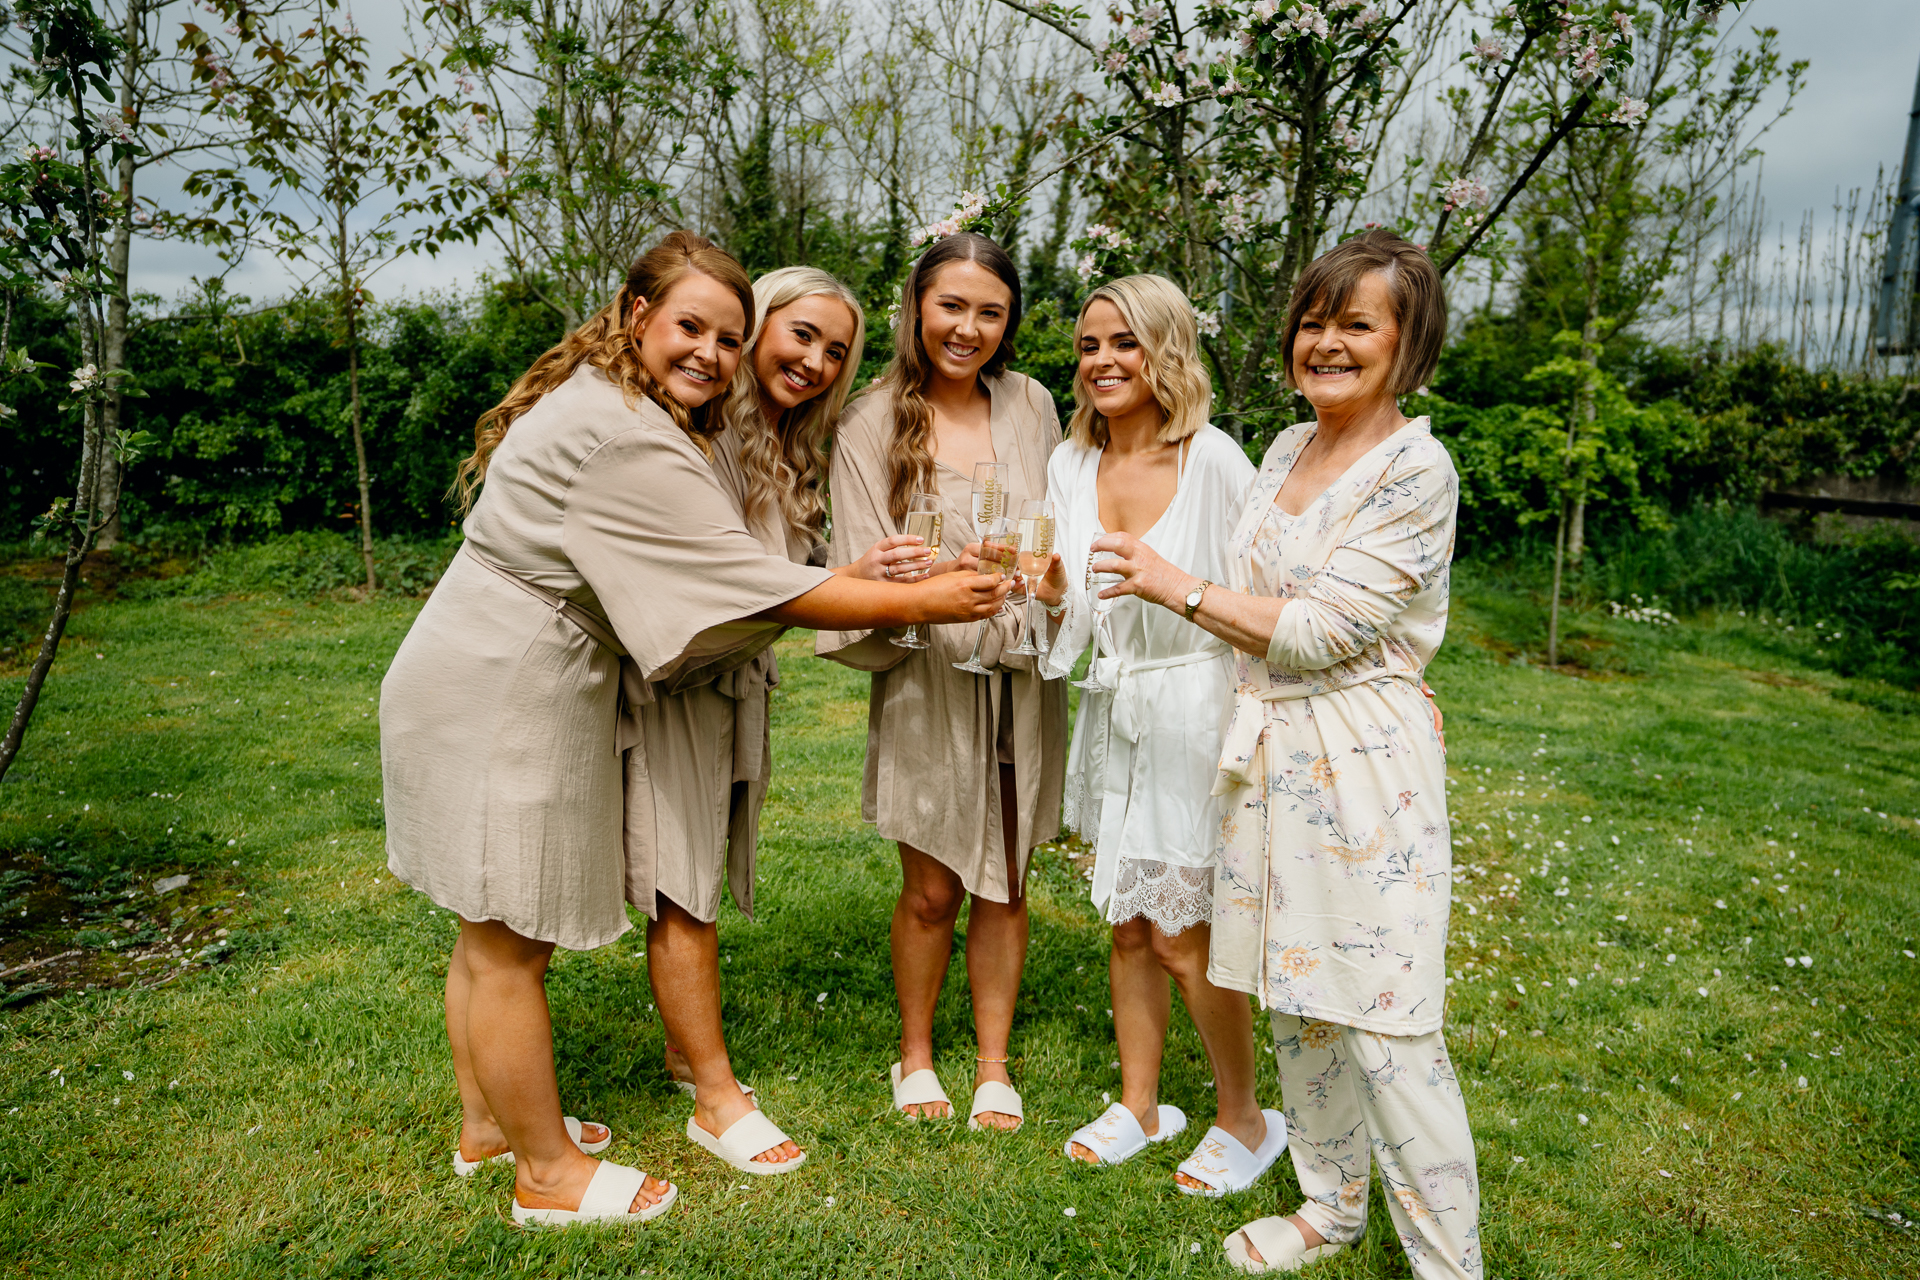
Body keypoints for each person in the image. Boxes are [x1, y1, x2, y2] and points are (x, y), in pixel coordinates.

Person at [381, 230, 1009, 1227]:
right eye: (693, 328)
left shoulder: (617, 398)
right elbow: (747, 579)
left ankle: (488, 1124)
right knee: (507, 945)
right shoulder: (634, 436)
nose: (713, 353)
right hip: (507, 684)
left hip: (477, 659)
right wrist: (929, 597)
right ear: (638, 316)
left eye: (728, 335)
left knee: (488, 933)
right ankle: (546, 1173)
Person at [1079, 231, 1478, 1277]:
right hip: (1259, 751)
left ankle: (1448, 1261)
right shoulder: (1285, 452)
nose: (1328, 343)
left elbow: (1314, 630)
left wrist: (1176, 586)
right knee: (1295, 998)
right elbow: (1256, 610)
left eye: (1357, 323)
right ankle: (1328, 1204)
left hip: (1361, 764)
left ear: (1409, 341)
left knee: (1387, 1021)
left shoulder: (1416, 469)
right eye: (1315, 321)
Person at [644, 266, 934, 1171]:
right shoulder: (696, 433)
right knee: (680, 879)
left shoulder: (780, 441)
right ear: (757, 323)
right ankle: (719, 1101)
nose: (814, 361)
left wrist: (863, 570)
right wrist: (871, 597)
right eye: (800, 335)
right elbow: (725, 580)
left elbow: (790, 573)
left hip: (730, 676)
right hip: (676, 675)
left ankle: (684, 1054)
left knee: (696, 864)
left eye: (835, 351)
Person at [1024, 275, 1280, 1195]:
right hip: (1117, 708)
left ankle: (1245, 1119)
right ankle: (1139, 1105)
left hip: (1195, 709)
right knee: (1130, 922)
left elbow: (1263, 602)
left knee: (1186, 934)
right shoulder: (1070, 465)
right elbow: (1082, 611)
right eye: (1090, 346)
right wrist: (1055, 595)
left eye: (1124, 343)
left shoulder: (1214, 461)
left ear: (1166, 350)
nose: (1102, 363)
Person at [817, 231, 1068, 1132]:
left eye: (989, 312)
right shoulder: (870, 422)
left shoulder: (1035, 404)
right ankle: (916, 1054)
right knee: (931, 889)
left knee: (1007, 880)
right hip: (929, 671)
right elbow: (851, 571)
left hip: (1024, 670)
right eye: (951, 306)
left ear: (1010, 323)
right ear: (918, 308)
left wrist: (1043, 577)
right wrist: (921, 587)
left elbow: (1065, 528)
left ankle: (994, 1065)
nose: (968, 328)